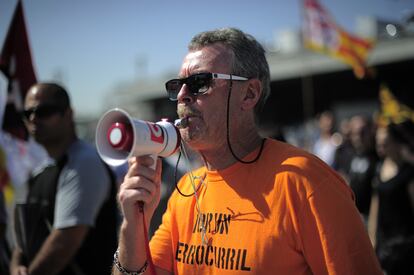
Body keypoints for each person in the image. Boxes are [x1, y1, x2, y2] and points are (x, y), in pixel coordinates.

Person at [113, 28, 382, 275]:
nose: (182, 95)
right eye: (177, 86)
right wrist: (133, 224)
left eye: (199, 82)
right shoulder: (187, 189)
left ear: (249, 94)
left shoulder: (306, 183)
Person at [10, 83, 118, 275]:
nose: (34, 118)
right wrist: (16, 263)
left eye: (44, 111)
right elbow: (25, 236)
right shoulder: (41, 170)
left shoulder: (85, 162)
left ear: (69, 114)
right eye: (28, 113)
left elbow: (64, 243)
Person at [370, 121, 414, 274]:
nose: (381, 148)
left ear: (395, 143)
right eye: (378, 144)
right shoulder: (378, 169)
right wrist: (372, 240)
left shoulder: (408, 172)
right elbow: (375, 209)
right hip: (386, 244)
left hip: (406, 244)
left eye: (385, 144)